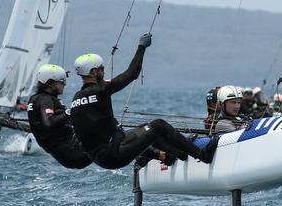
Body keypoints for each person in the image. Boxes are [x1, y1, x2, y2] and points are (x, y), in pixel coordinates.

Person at [69, 34, 216, 169]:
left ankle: (177, 155)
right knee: (158, 126)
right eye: (101, 69)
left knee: (147, 129)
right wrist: (141, 47)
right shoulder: (100, 91)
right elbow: (131, 74)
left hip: (101, 156)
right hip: (113, 154)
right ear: (94, 72)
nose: (104, 71)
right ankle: (203, 155)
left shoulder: (76, 98)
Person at [26, 64, 95, 170]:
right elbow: (49, 122)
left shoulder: (35, 99)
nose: (64, 85)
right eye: (62, 81)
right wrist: (69, 112)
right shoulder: (45, 99)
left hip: (66, 155)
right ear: (50, 83)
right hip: (73, 152)